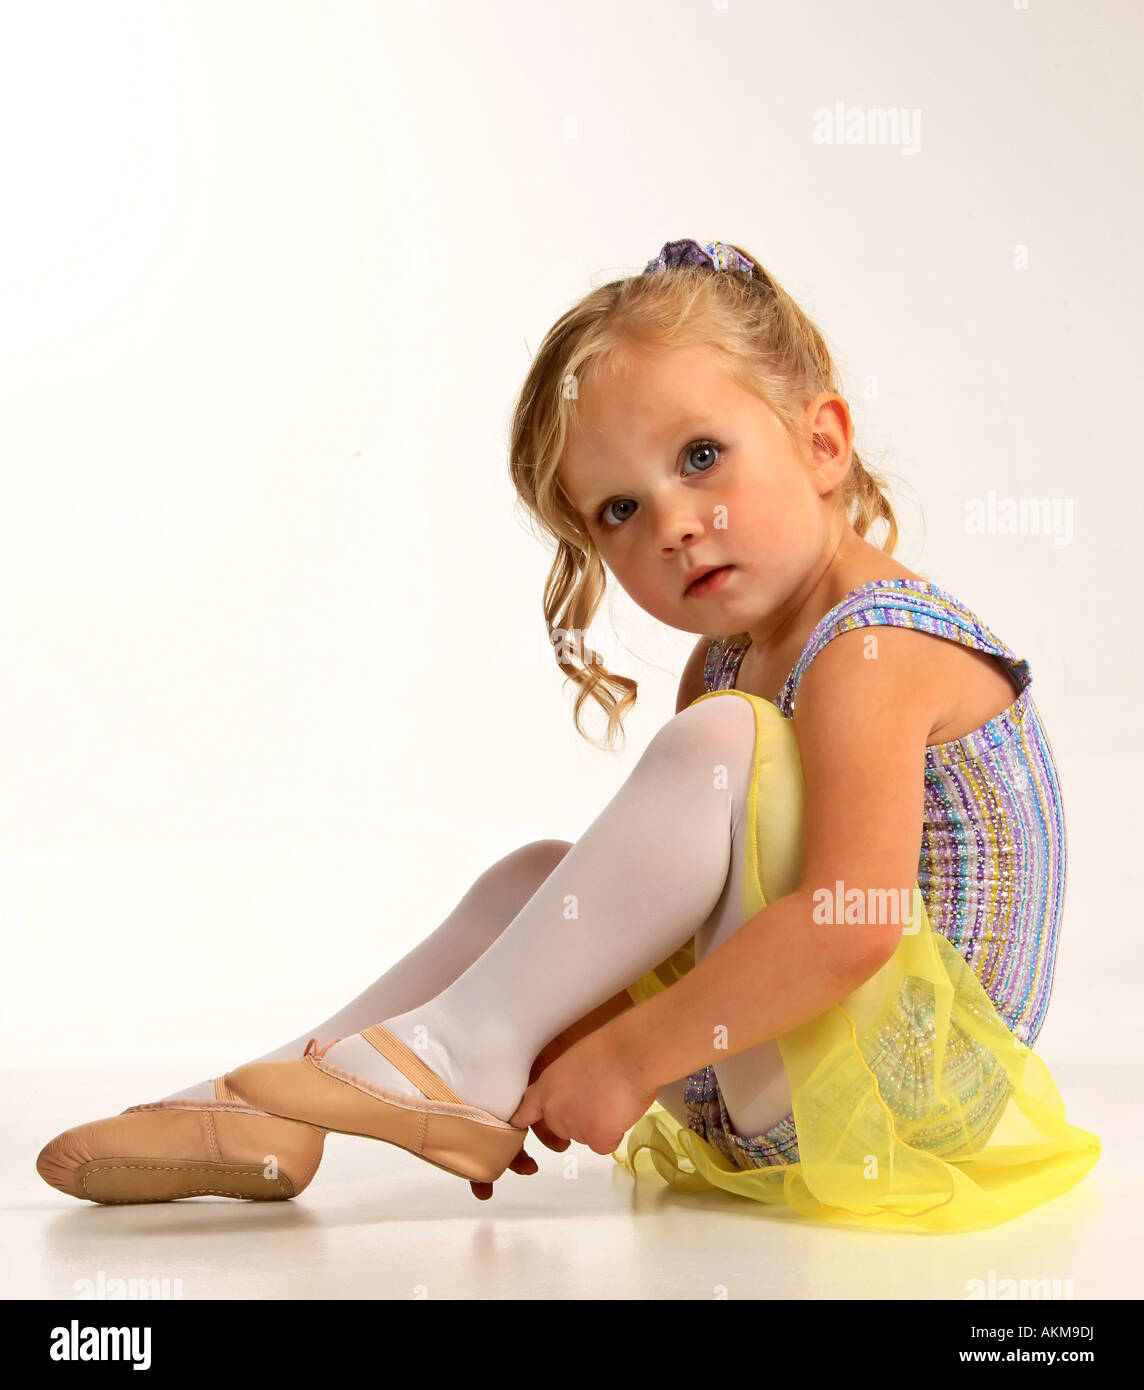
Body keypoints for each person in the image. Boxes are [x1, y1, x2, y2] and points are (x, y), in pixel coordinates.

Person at [36, 239, 1100, 1231]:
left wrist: (632, 1050)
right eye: (619, 512)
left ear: (821, 443)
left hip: (894, 1103)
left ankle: (461, 1054)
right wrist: (583, 1024)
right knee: (534, 884)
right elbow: (679, 909)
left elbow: (848, 923)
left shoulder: (876, 647)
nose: (674, 522)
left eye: (700, 456)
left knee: (718, 746)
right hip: (770, 1082)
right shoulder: (722, 660)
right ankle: (281, 1100)